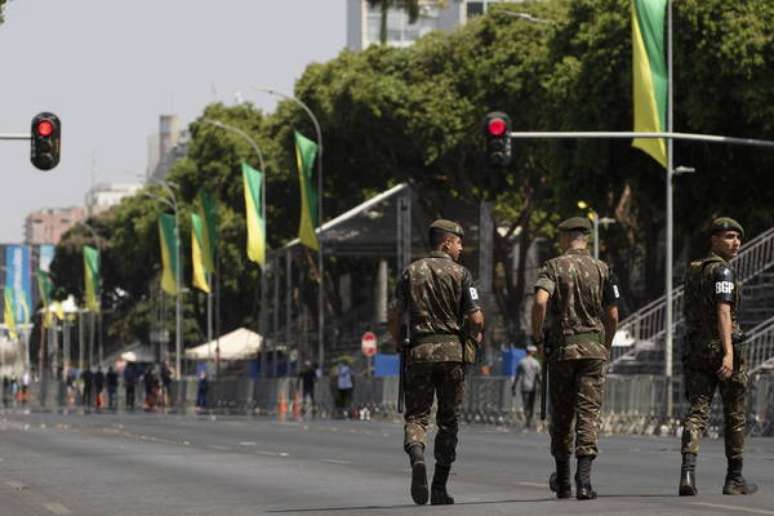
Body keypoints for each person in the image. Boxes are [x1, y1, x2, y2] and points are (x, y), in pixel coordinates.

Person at [388, 219, 484, 506]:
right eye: (458, 242)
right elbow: (477, 318)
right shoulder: (462, 274)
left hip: (419, 352)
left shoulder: (410, 272)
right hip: (452, 354)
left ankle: (417, 455)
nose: (461, 248)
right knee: (448, 421)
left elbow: (394, 316)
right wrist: (473, 344)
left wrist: (398, 343)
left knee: (417, 416)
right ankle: (439, 487)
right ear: (445, 243)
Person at [532, 216, 619, 500]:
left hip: (563, 350)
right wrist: (605, 343)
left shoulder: (554, 266)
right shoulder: (602, 268)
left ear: (567, 237)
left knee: (562, 415)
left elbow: (540, 301)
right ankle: (584, 482)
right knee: (588, 414)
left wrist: (537, 337)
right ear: (586, 238)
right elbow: (613, 314)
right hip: (593, 350)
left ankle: (564, 481)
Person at [679, 217, 757, 496]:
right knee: (734, 414)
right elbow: (724, 312)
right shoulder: (723, 272)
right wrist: (728, 352)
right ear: (713, 240)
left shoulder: (693, 271)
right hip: (722, 348)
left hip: (697, 348)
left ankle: (687, 473)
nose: (736, 242)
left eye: (738, 237)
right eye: (729, 236)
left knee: (697, 411)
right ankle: (734, 478)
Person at [511, 344, 542, 429]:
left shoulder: (522, 362)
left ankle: (527, 420)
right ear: (532, 352)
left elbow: (517, 375)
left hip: (524, 386)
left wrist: (514, 386)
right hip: (534, 387)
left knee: (526, 404)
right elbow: (538, 376)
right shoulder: (536, 363)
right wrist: (541, 386)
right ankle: (529, 419)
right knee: (532, 404)